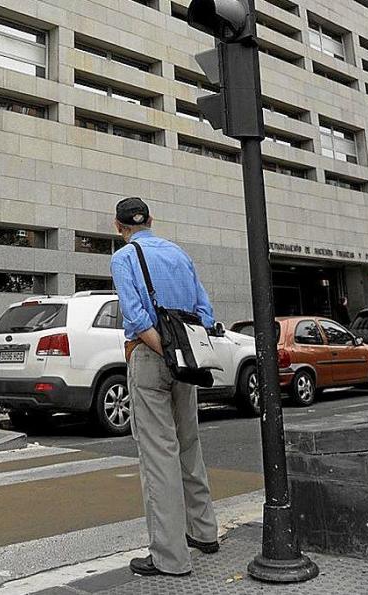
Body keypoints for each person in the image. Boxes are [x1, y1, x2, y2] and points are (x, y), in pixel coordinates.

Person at [110, 197, 219, 577]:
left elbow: (136, 315)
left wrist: (164, 349)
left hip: (150, 356)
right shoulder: (179, 254)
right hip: (187, 361)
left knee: (158, 455)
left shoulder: (124, 258)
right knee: (189, 443)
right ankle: (204, 532)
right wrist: (183, 353)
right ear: (151, 220)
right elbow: (206, 312)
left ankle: (170, 558)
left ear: (117, 226)